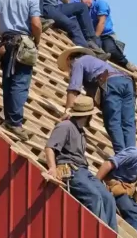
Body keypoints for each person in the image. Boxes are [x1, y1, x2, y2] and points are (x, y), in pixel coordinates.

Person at [45, 96, 118, 229]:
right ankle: (100, 234)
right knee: (94, 197)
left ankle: (112, 237)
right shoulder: (65, 126)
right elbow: (50, 147)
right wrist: (53, 168)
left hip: (83, 170)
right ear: (88, 115)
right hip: (72, 170)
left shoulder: (81, 131)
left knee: (108, 198)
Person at [0, 0, 42, 139]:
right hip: (23, 42)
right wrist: (37, 40)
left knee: (8, 81)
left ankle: (9, 118)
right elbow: (35, 23)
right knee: (20, 83)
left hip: (5, 41)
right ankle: (15, 122)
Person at [56, 46, 136, 154]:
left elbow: (74, 89)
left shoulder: (78, 62)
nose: (69, 70)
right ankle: (132, 155)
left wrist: (68, 111)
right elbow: (91, 99)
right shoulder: (95, 64)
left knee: (113, 122)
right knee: (128, 123)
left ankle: (122, 156)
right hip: (127, 82)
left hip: (111, 84)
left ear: (69, 59)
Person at [72, 0, 130, 68]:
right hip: (94, 36)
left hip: (106, 35)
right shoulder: (84, 10)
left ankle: (125, 63)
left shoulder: (100, 4)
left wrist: (94, 38)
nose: (80, 2)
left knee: (111, 50)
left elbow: (101, 22)